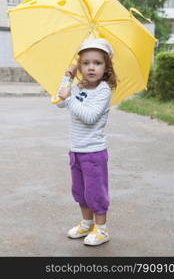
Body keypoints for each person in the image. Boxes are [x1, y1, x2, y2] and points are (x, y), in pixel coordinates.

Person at [56, 38, 117, 246]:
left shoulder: (103, 91)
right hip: (76, 150)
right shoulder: (78, 86)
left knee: (95, 192)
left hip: (93, 152)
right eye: (86, 63)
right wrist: (67, 78)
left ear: (106, 66)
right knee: (80, 191)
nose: (91, 67)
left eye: (97, 63)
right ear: (79, 65)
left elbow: (89, 116)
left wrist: (71, 98)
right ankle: (86, 222)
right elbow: (60, 102)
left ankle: (101, 229)